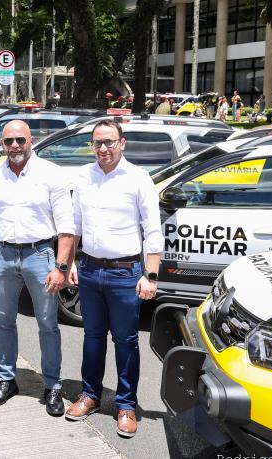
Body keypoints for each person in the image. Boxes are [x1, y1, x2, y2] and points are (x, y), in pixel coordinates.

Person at [64, 119, 162, 439]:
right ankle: (90, 396)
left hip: (125, 273)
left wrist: (150, 274)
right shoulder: (83, 176)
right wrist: (71, 263)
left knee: (126, 341)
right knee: (92, 337)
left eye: (109, 142)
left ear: (122, 143)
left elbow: (153, 229)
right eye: (97, 143)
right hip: (90, 270)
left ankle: (126, 405)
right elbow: (75, 224)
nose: (103, 149)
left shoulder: (138, 178)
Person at [0, 120, 75, 417]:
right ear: (2, 145)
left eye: (19, 140)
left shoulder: (51, 174)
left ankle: (52, 385)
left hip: (39, 255)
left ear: (31, 140)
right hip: (2, 255)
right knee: (3, 321)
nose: (14, 146)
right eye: (8, 141)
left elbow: (67, 228)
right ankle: (6, 380)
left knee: (47, 324)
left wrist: (61, 267)